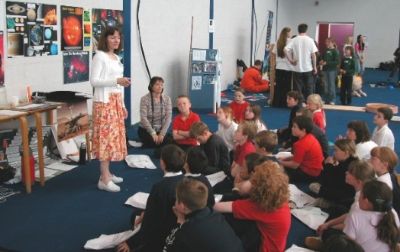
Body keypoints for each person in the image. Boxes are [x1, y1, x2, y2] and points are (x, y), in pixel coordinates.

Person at [118, 145, 184, 252]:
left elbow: (151, 221)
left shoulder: (160, 187)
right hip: (179, 227)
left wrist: (131, 243)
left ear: (163, 163)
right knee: (138, 214)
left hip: (165, 234)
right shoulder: (187, 180)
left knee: (135, 217)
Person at [214, 161, 291, 252]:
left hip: (262, 248)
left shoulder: (258, 206)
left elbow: (218, 207)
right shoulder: (279, 199)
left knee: (223, 218)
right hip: (275, 244)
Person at [90, 26, 130, 192]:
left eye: (118, 38)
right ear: (105, 38)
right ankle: (104, 179)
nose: (116, 40)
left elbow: (119, 85)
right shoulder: (99, 56)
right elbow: (94, 81)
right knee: (106, 140)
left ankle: (106, 173)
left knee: (113, 139)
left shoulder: (115, 57)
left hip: (115, 102)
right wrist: (117, 81)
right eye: (112, 37)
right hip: (104, 103)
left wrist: (123, 105)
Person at [305, 160, 376, 251]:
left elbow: (349, 226)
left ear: (359, 181)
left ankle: (325, 245)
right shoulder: (363, 192)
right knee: (338, 209)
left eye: (350, 173)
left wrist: (329, 226)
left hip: (358, 243)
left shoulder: (360, 202)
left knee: (330, 233)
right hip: (358, 230)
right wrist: (328, 224)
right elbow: (350, 215)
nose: (346, 172)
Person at [163, 178, 244, 252]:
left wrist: (180, 223)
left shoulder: (187, 231)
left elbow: (167, 248)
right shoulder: (214, 214)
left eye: (177, 199)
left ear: (183, 206)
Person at [343, 180, 399, 252]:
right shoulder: (393, 214)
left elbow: (349, 246)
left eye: (360, 195)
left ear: (366, 201)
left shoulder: (355, 217)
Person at [310, 139, 358, 210]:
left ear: (346, 152)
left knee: (313, 186)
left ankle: (330, 204)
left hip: (342, 199)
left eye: (336, 150)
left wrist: (328, 166)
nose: (334, 153)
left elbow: (325, 181)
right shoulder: (352, 161)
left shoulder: (345, 168)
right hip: (346, 194)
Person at [279, 115, 324, 182]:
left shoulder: (301, 144)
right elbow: (299, 157)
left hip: (309, 173)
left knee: (278, 175)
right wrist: (285, 159)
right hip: (316, 170)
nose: (292, 128)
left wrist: (279, 162)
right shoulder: (310, 136)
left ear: (303, 130)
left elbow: (295, 165)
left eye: (294, 127)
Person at [284, 23, 318, 100]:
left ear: (298, 30)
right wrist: (315, 67)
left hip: (297, 68)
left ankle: (299, 104)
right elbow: (313, 55)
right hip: (308, 68)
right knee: (309, 87)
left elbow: (285, 49)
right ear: (306, 30)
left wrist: (291, 60)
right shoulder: (310, 40)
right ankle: (309, 104)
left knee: (297, 88)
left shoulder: (294, 40)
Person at [138, 76, 172, 148]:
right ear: (151, 86)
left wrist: (162, 134)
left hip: (160, 129)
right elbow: (143, 118)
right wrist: (153, 133)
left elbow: (168, 118)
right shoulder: (144, 99)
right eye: (157, 84)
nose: (160, 87)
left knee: (168, 141)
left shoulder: (167, 99)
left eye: (161, 85)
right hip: (146, 130)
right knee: (153, 142)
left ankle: (153, 143)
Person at [369, 146, 400, 215]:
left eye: (373, 159)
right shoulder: (390, 175)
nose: (369, 161)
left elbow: (381, 203)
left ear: (384, 164)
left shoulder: (384, 182)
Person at [271, 27, 293, 107]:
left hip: (279, 67)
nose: (291, 34)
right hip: (288, 67)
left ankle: (276, 103)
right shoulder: (291, 41)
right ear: (287, 33)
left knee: (278, 86)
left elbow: (273, 53)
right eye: (290, 32)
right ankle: (285, 103)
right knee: (286, 87)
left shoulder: (278, 42)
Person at [320, 37, 340, 105]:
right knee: (325, 85)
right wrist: (321, 62)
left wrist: (327, 63)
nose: (326, 43)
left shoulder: (335, 51)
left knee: (331, 85)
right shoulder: (325, 50)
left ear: (332, 43)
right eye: (326, 42)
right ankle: (325, 99)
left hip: (332, 70)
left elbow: (336, 62)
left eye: (327, 42)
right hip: (325, 70)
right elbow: (322, 58)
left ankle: (333, 99)